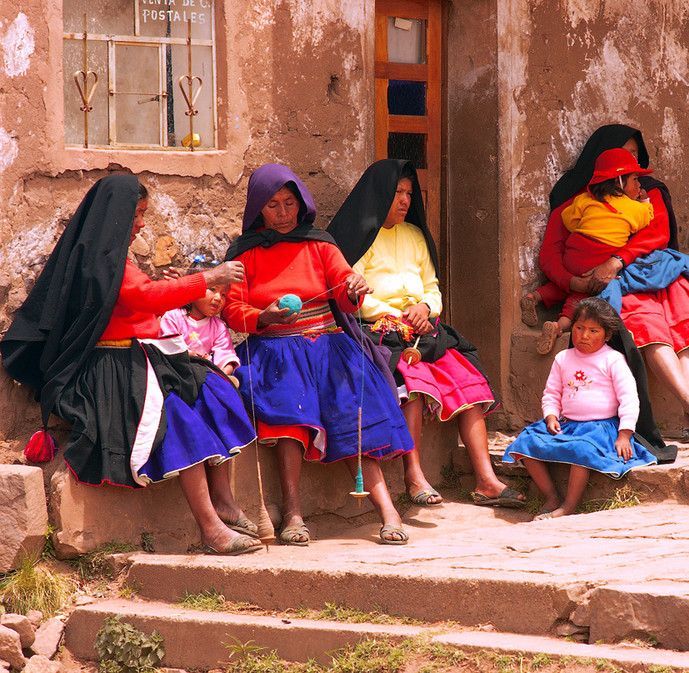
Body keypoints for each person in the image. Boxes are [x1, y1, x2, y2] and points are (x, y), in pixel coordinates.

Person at [1, 175, 262, 555]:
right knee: (180, 420)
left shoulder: (113, 256)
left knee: (211, 386)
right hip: (113, 369)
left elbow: (144, 300)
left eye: (142, 214)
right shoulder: (101, 260)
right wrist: (207, 278)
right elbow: (143, 296)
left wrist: (180, 288)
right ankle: (210, 529)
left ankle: (223, 501)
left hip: (138, 358)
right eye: (136, 214)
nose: (141, 222)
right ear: (117, 215)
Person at [223, 163, 414, 546]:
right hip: (275, 349)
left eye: (289, 203)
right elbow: (231, 309)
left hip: (328, 345)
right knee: (291, 417)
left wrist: (355, 287)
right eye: (273, 205)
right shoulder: (245, 254)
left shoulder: (320, 244)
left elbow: (344, 289)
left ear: (301, 203)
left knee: (353, 413)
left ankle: (388, 512)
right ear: (259, 208)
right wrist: (263, 316)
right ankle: (293, 513)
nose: (282, 212)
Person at [531, 124, 689, 443]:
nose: (634, 166)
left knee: (685, 338)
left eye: (636, 155)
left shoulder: (647, 193)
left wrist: (616, 259)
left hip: (656, 276)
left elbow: (657, 233)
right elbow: (551, 254)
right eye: (626, 156)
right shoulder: (575, 203)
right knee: (656, 335)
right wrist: (573, 283)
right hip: (623, 287)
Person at [329, 159, 525, 508]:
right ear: (379, 196)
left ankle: (485, 480)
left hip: (422, 331)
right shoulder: (359, 236)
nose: (405, 200)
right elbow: (352, 295)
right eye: (397, 193)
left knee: (468, 380)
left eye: (409, 193)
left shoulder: (415, 235)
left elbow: (432, 288)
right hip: (379, 330)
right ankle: (414, 475)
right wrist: (396, 315)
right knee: (414, 385)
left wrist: (425, 309)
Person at [502, 298, 656, 520]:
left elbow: (629, 398)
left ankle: (569, 506)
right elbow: (552, 393)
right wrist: (551, 416)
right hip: (567, 425)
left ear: (608, 335)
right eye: (579, 328)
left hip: (600, 429)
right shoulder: (563, 358)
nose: (584, 336)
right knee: (524, 442)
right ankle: (552, 496)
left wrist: (625, 434)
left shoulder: (613, 360)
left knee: (582, 450)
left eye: (593, 330)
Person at [533, 148, 655, 353]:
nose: (639, 184)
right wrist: (643, 201)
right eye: (635, 179)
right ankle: (559, 326)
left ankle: (535, 297)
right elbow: (647, 219)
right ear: (619, 181)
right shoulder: (634, 208)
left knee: (571, 289)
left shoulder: (585, 199)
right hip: (600, 258)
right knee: (583, 297)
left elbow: (568, 219)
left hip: (575, 253)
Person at [159, 260, 240, 384]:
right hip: (178, 375)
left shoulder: (218, 327)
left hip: (206, 376)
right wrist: (189, 354)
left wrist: (224, 373)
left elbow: (225, 353)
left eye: (223, 294)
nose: (218, 298)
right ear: (194, 287)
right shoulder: (173, 317)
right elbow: (168, 346)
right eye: (212, 289)